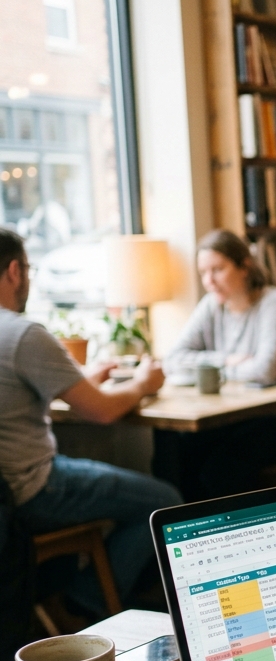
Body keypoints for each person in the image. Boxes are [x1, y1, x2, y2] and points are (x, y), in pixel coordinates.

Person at [0, 228, 181, 620]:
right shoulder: (21, 333)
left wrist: (81, 380)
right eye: (28, 269)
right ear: (14, 271)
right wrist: (143, 383)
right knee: (162, 502)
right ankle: (89, 600)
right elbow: (102, 412)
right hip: (32, 487)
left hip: (5, 493)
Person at [160, 229, 276, 500]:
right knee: (180, 449)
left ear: (244, 267)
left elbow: (264, 371)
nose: (209, 281)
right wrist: (224, 360)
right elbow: (173, 360)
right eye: (203, 273)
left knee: (221, 468)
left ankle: (234, 525)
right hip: (241, 416)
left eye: (217, 270)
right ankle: (190, 524)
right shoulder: (212, 306)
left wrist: (212, 370)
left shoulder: (275, 304)